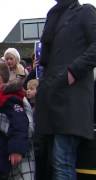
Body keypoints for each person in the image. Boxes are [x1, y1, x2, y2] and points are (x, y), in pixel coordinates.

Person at [35, 0, 96, 179]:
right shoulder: (53, 15)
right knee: (52, 162)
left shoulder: (84, 11)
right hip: (51, 96)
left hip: (71, 98)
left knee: (62, 160)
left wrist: (73, 71)